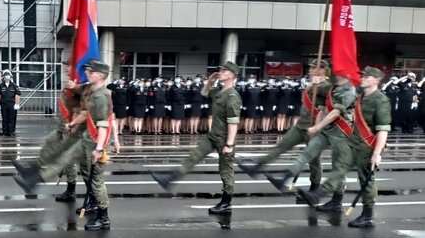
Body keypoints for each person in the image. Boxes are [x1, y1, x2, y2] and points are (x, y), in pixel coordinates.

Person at [14, 60, 114, 230]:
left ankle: (103, 218)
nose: (88, 73)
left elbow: (104, 125)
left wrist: (99, 149)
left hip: (96, 143)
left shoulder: (101, 96)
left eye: (92, 71)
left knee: (96, 180)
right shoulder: (95, 93)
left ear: (101, 75)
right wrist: (72, 124)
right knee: (67, 159)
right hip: (88, 139)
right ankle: (35, 177)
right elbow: (86, 113)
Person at [299, 67, 391, 228]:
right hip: (352, 140)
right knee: (339, 167)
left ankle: (367, 215)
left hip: (367, 145)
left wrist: (378, 152)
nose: (362, 78)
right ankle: (322, 195)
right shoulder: (360, 97)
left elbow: (383, 127)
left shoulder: (381, 100)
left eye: (366, 76)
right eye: (362, 75)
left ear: (376, 80)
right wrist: (315, 85)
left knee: (365, 179)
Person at [150, 61, 241, 214]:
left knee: (225, 170)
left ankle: (226, 202)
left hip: (225, 139)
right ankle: (171, 178)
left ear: (231, 75)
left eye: (224, 71)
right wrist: (210, 81)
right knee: (195, 156)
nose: (220, 72)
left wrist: (229, 145)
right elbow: (204, 93)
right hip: (213, 135)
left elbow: (233, 122)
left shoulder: (232, 96)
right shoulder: (220, 91)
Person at [239, 60, 331, 201]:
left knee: (314, 160)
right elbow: (303, 98)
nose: (310, 70)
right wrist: (312, 84)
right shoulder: (311, 83)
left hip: (314, 127)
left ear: (322, 69)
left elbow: (325, 100)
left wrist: (318, 84)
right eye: (311, 68)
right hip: (301, 125)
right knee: (282, 145)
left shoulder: (328, 86)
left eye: (313, 68)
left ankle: (314, 190)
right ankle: (257, 167)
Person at [260, 70, 356, 196]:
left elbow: (335, 112)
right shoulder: (334, 89)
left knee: (337, 165)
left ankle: (335, 199)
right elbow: (321, 109)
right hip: (325, 129)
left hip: (340, 131)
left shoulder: (348, 90)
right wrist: (316, 126)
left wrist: (317, 127)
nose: (334, 74)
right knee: (306, 154)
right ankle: (285, 179)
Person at [0, 69, 21, 136]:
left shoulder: (14, 86)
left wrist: (17, 104)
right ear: (3, 77)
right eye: (5, 75)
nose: (6, 76)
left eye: (8, 75)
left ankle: (11, 131)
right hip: (3, 104)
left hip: (11, 104)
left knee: (11, 118)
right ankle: (5, 131)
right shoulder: (1, 86)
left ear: (10, 76)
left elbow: (17, 94)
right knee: (4, 118)